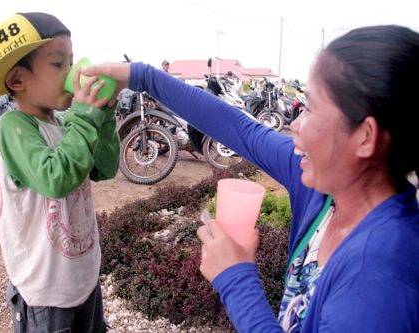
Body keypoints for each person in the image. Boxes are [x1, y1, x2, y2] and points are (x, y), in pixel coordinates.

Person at [85, 25, 419, 332]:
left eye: (314, 109)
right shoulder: (327, 192)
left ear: (365, 137)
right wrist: (138, 75)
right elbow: (237, 127)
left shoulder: (381, 277)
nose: (296, 124)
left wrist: (236, 279)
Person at [0, 12, 119, 332]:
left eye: (71, 62)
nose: (72, 73)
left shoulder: (64, 124)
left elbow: (105, 168)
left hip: (83, 278)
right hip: (44, 291)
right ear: (17, 80)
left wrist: (105, 116)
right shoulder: (14, 128)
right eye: (58, 64)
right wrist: (84, 115)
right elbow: (55, 178)